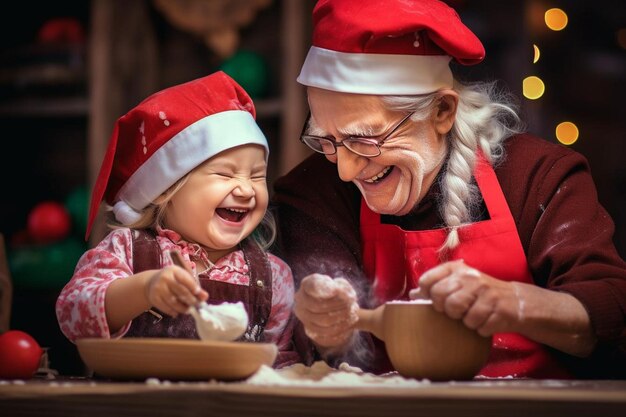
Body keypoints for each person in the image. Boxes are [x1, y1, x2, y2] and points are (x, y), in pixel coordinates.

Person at [273, 0, 626, 378]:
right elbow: (324, 340)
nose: (344, 170)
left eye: (365, 139)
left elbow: (610, 308)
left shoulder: (537, 177)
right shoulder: (312, 191)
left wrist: (517, 303)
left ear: (442, 111)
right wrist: (324, 321)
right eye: (327, 141)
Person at [56, 71, 299, 368]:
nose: (246, 189)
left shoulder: (274, 277)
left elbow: (282, 362)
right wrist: (144, 290)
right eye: (225, 174)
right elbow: (73, 315)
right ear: (165, 191)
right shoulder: (126, 251)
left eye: (257, 176)